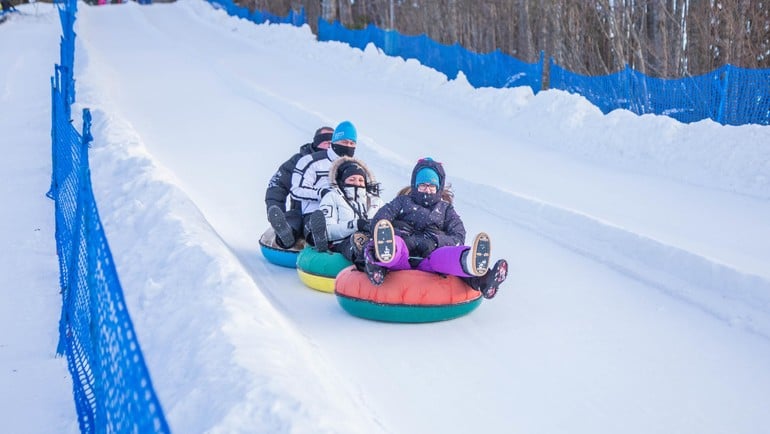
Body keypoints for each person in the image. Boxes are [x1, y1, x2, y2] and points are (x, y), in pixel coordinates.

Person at [363, 157, 508, 299]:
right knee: (396, 244)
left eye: (432, 186)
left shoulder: (445, 209)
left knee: (445, 256)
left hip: (430, 258)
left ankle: (473, 266)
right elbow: (380, 220)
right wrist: (403, 237)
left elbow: (458, 235)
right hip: (402, 254)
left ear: (438, 188)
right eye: (423, 185)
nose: (427, 190)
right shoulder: (402, 202)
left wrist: (435, 241)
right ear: (415, 186)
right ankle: (383, 255)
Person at [270, 120, 358, 251]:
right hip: (306, 209)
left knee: (330, 223)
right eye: (344, 142)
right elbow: (278, 188)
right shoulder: (306, 161)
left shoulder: (354, 167)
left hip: (342, 213)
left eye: (352, 143)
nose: (348, 146)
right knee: (303, 220)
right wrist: (276, 210)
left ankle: (324, 240)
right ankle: (287, 234)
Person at [265, 126, 333, 248]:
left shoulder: (338, 163)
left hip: (325, 212)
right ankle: (284, 233)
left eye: (333, 143)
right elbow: (277, 186)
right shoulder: (298, 161)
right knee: (291, 221)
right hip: (298, 210)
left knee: (315, 223)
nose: (329, 146)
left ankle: (318, 238)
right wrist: (276, 210)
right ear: (317, 142)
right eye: (327, 142)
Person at [318, 157, 383, 267]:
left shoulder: (375, 200)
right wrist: (355, 225)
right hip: (343, 241)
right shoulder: (332, 197)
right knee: (355, 245)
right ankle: (367, 263)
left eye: (361, 180)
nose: (357, 183)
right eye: (352, 179)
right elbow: (327, 231)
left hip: (372, 237)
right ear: (342, 181)